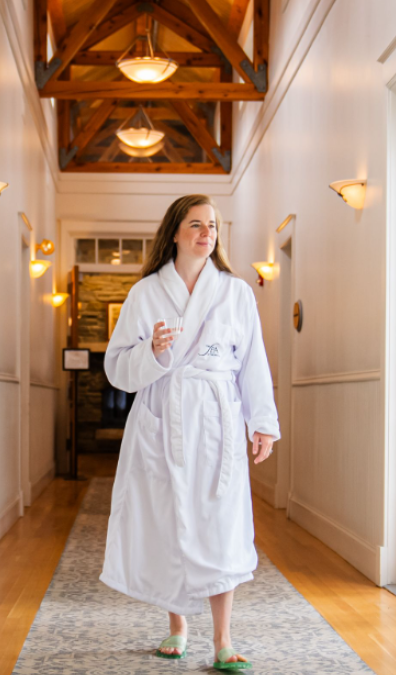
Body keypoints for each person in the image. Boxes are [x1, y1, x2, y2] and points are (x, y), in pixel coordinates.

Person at [100, 194, 279, 671]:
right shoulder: (145, 293)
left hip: (218, 418)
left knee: (220, 522)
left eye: (213, 226)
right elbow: (117, 367)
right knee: (168, 516)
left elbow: (252, 362)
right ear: (175, 232)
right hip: (163, 416)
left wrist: (261, 423)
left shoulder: (236, 292)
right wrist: (154, 353)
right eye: (196, 224)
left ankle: (223, 640)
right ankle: (178, 627)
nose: (206, 233)